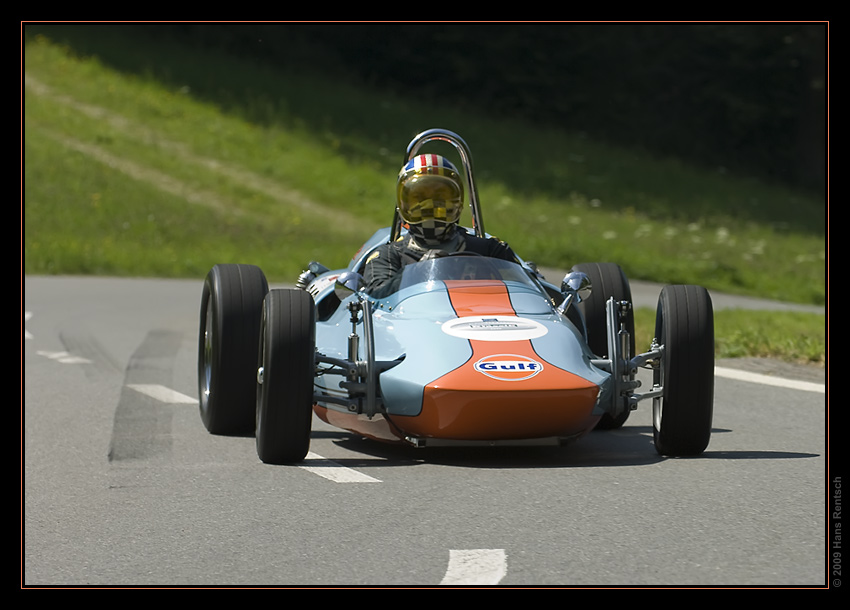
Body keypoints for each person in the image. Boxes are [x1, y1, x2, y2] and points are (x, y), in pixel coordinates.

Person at [363, 154, 517, 298]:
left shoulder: (491, 251)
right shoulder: (388, 256)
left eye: (440, 197)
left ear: (458, 202)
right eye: (419, 198)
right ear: (403, 205)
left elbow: (530, 290)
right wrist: (419, 272)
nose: (430, 206)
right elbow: (375, 297)